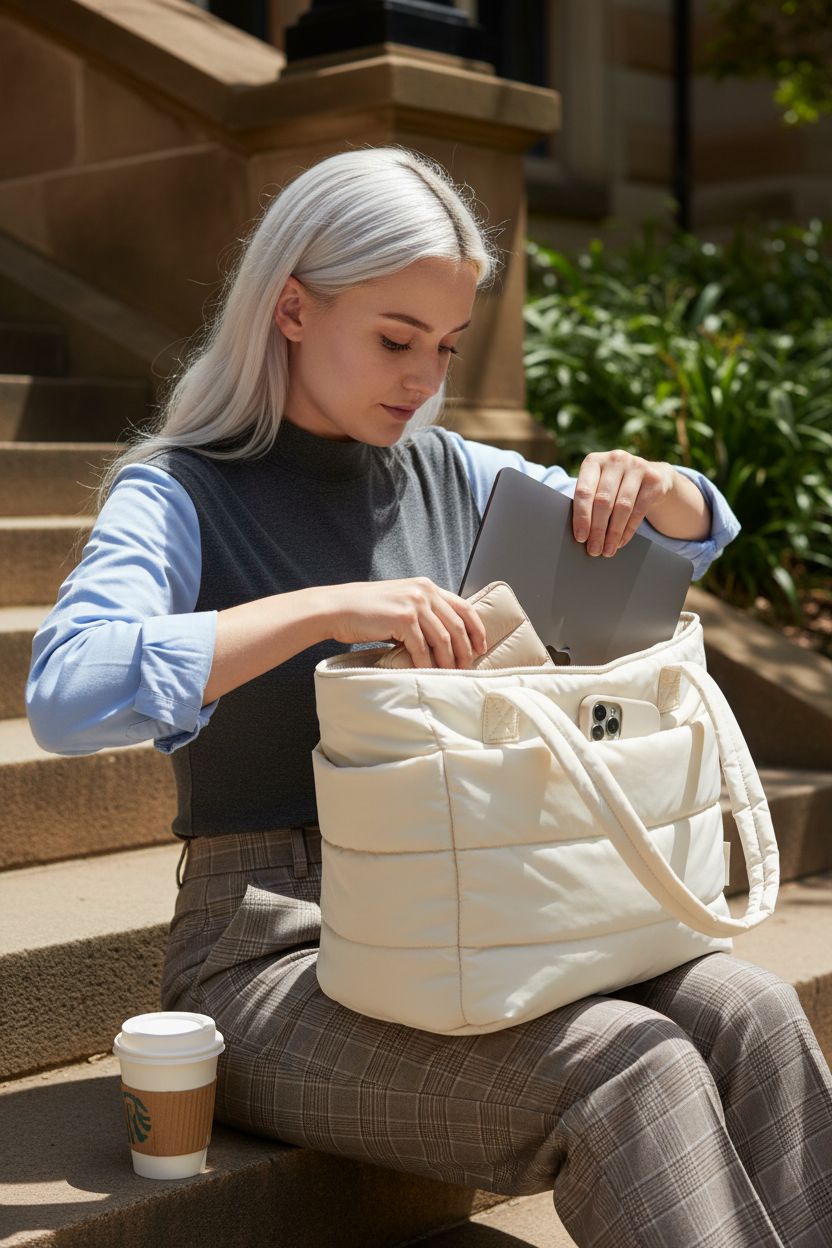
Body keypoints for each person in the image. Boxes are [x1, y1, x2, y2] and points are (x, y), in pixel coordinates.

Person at [26, 145, 832, 1247]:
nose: (422, 378)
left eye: (445, 347)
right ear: (292, 310)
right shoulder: (179, 493)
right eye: (394, 340)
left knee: (748, 1008)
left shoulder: (457, 473)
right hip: (267, 955)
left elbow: (678, 538)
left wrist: (661, 489)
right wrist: (325, 610)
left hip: (484, 909)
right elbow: (69, 692)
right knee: (632, 1070)